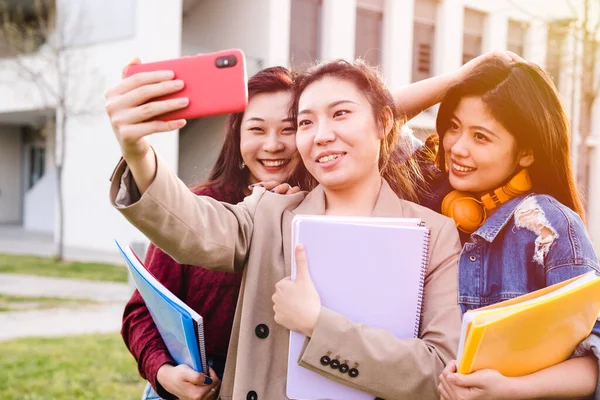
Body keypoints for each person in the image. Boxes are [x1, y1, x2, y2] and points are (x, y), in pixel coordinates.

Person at [105, 58, 464, 399]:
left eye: (340, 113)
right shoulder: (267, 212)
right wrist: (137, 150)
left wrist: (317, 325)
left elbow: (436, 374)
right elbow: (192, 226)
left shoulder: (434, 234)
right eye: (306, 123)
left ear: (384, 122)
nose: (322, 135)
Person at [118, 65, 305, 400]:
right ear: (237, 137)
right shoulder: (201, 207)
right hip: (191, 385)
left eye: (288, 129)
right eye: (257, 129)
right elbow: (141, 311)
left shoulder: (320, 212)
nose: (273, 145)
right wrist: (164, 373)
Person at [433, 58, 600, 400]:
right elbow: (376, 123)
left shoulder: (550, 227)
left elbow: (593, 361)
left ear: (526, 153)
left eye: (480, 136)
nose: (457, 147)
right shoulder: (430, 201)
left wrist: (510, 390)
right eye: (453, 126)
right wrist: (462, 76)